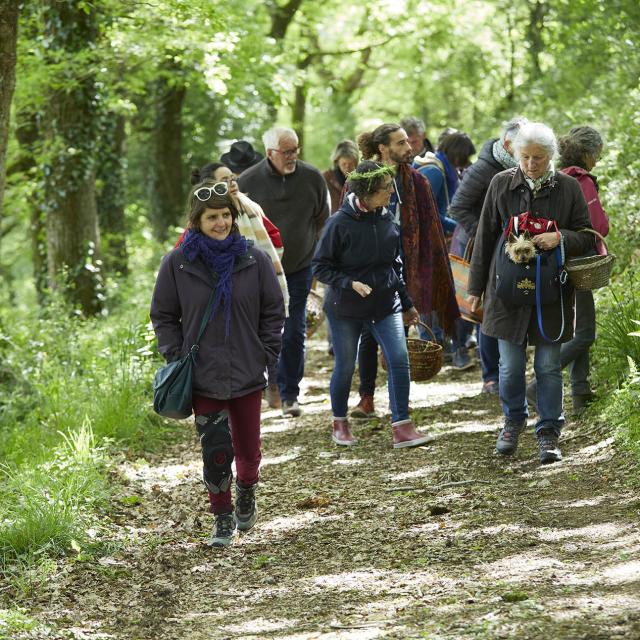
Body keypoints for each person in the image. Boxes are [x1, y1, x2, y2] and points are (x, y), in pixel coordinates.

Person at [150, 183, 285, 547]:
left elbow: (274, 310)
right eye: (212, 217)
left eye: (226, 215)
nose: (221, 222)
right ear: (196, 221)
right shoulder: (177, 263)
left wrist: (266, 352)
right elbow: (163, 314)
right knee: (216, 449)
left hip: (247, 370)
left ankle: (246, 491)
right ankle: (222, 517)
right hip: (203, 374)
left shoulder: (253, 259)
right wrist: (177, 355)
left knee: (248, 448)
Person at [467, 122, 594, 464]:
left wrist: (560, 237)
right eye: (525, 157)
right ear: (515, 154)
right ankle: (512, 421)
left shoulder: (567, 187)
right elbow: (484, 237)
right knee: (508, 368)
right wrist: (475, 288)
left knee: (549, 366)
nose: (531, 164)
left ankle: (549, 431)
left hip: (551, 294)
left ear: (551, 156)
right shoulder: (500, 183)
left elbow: (588, 234)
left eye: (538, 157)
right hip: (506, 292)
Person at [313, 161, 432, 448]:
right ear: (366, 193)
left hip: (385, 304)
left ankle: (402, 426)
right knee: (344, 365)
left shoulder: (386, 217)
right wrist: (349, 282)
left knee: (399, 359)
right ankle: (340, 422)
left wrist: (407, 303)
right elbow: (320, 267)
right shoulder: (338, 224)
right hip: (345, 309)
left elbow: (395, 264)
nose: (392, 192)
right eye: (386, 189)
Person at [350, 123, 459, 419]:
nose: (408, 148)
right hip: (370, 267)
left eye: (406, 143)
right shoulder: (363, 179)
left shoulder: (418, 182)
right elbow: (346, 219)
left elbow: (431, 226)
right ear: (383, 148)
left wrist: (430, 267)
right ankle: (367, 397)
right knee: (369, 334)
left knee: (401, 332)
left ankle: (400, 401)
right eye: (400, 143)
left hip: (406, 265)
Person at [238, 126, 330, 417]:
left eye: (296, 150)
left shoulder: (312, 178)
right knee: (264, 330)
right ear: (269, 153)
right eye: (286, 151)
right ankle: (270, 384)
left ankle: (291, 393)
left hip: (300, 267)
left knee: (294, 330)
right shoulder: (248, 181)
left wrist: (313, 256)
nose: (293, 156)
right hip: (260, 271)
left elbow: (321, 220)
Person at [187, 162, 289, 409]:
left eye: (232, 178)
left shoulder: (248, 205)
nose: (231, 183)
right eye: (224, 180)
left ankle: (270, 384)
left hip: (253, 285)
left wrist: (264, 265)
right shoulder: (200, 222)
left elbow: (273, 237)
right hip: (217, 299)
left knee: (260, 331)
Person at [526, 126, 609, 414]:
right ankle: (536, 387)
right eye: (596, 154)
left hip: (555, 262)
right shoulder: (582, 180)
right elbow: (596, 225)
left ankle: (580, 393)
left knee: (575, 327)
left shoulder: (557, 177)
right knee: (584, 333)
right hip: (578, 261)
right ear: (587, 153)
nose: (597, 160)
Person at [449, 116, 528, 393]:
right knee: (485, 310)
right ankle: (490, 377)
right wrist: (486, 235)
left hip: (512, 249)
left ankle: (508, 371)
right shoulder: (484, 169)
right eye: (522, 145)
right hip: (480, 248)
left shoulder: (523, 167)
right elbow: (457, 208)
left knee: (508, 302)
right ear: (508, 145)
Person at [414, 129, 477, 371]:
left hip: (435, 239)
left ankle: (443, 347)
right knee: (433, 296)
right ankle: (433, 346)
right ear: (457, 155)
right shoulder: (436, 172)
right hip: (429, 243)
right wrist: (460, 226)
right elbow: (429, 213)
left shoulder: (439, 167)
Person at [322, 139, 359, 213]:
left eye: (351, 164)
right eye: (344, 164)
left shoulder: (361, 179)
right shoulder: (325, 178)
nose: (347, 167)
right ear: (337, 161)